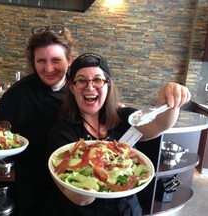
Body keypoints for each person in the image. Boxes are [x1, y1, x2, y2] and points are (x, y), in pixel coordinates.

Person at [45, 53, 191, 216]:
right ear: (72, 87)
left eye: (98, 80)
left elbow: (160, 124)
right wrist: (93, 167)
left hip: (128, 210)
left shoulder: (125, 118)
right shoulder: (62, 132)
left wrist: (171, 99)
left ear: (108, 85)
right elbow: (80, 199)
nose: (90, 86)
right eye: (81, 80)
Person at [0, 25, 78, 215]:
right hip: (32, 183)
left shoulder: (81, 88)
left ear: (69, 60)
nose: (48, 68)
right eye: (41, 61)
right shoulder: (20, 92)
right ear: (33, 62)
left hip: (74, 183)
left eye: (56, 60)